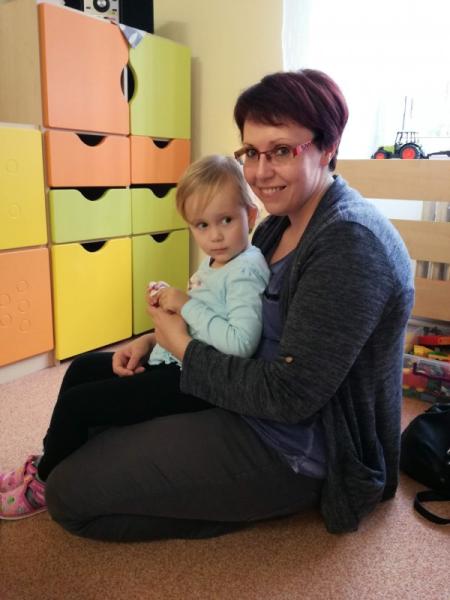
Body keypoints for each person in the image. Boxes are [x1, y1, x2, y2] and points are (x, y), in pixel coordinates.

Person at [2, 69, 414, 540]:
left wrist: (181, 346)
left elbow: (290, 396)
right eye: (251, 152)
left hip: (296, 444)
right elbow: (226, 308)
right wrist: (154, 339)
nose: (260, 172)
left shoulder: (348, 244)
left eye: (281, 150)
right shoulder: (278, 223)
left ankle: (235, 506)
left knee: (69, 497)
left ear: (328, 146)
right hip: (237, 392)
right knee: (90, 387)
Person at [0, 155, 269, 520]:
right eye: (202, 225)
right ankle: (51, 457)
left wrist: (185, 304)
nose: (215, 235)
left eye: (226, 220)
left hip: (195, 383)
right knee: (81, 368)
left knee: (81, 403)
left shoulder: (246, 270)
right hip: (175, 359)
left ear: (250, 215)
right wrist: (155, 334)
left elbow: (240, 343)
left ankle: (44, 483)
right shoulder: (218, 261)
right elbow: (203, 320)